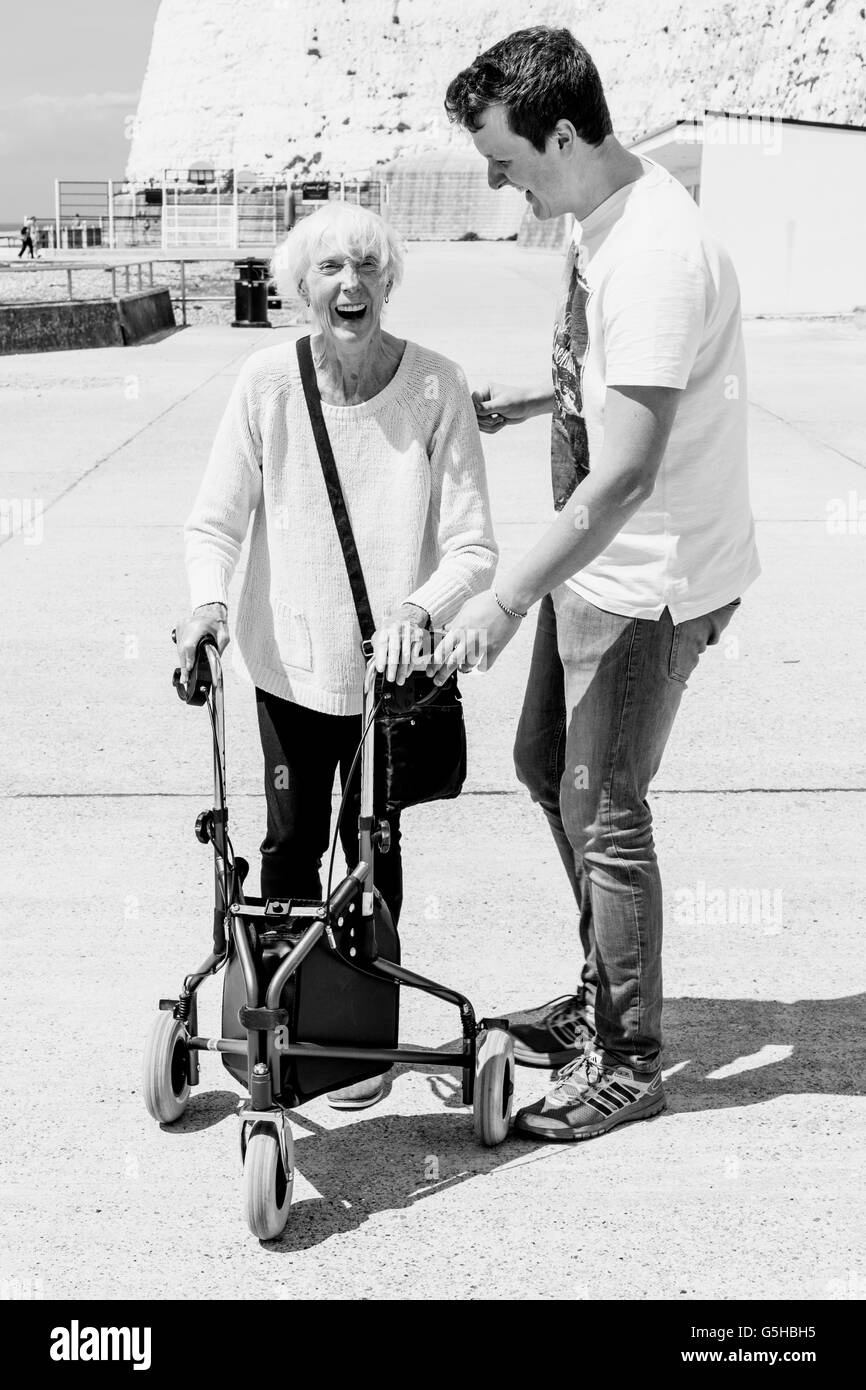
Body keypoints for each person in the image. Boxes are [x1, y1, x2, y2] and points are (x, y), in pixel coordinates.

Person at [433, 26, 760, 1141]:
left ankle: (624, 1056)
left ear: (562, 134)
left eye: (504, 159)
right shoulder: (597, 216)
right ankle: (598, 987)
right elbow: (621, 380)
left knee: (605, 808)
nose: (494, 181)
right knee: (543, 766)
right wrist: (534, 398)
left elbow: (625, 473)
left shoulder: (654, 252)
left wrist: (501, 594)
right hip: (599, 563)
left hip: (644, 579)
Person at [177, 200, 497, 1108]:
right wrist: (206, 603)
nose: (349, 285)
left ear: (387, 279)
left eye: (365, 266)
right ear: (299, 287)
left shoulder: (436, 386)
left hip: (390, 678)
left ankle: (361, 1040)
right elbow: (217, 519)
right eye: (329, 270)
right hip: (286, 661)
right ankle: (295, 1035)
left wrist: (420, 606)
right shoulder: (266, 383)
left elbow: (473, 546)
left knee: (372, 853)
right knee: (287, 849)